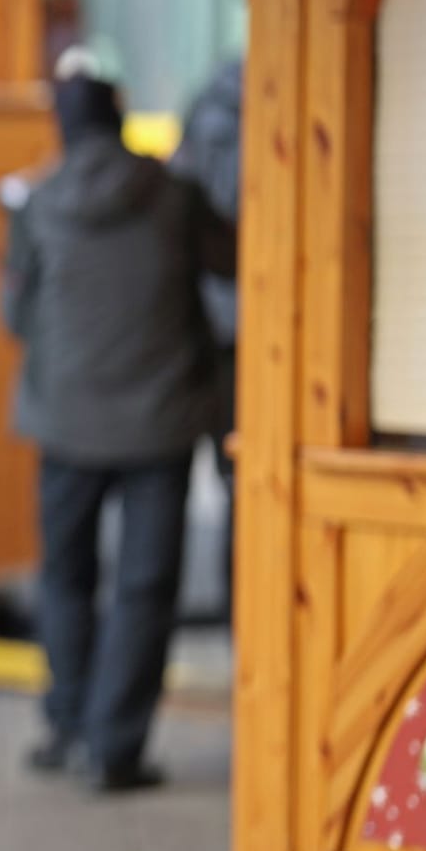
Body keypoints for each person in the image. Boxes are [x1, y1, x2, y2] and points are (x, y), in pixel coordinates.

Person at [0, 48, 233, 793]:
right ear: (121, 118)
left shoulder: (36, 205)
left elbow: (14, 312)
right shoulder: (173, 193)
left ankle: (68, 724)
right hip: (162, 417)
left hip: (65, 416)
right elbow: (234, 259)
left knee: (67, 575)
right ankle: (117, 748)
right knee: (144, 584)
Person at [168, 56, 243, 622]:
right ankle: (245, 619)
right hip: (250, 328)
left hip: (209, 326)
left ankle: (235, 618)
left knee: (232, 477)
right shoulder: (268, 113)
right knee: (247, 482)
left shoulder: (203, 110)